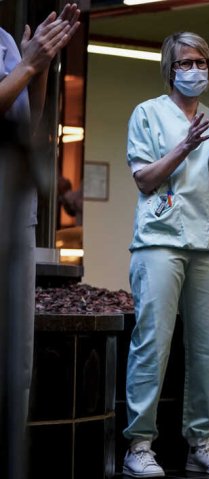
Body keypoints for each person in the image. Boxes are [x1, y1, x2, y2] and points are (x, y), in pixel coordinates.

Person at [122, 31, 209, 478]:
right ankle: (139, 444)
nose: (196, 70)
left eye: (203, 63)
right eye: (186, 63)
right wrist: (186, 146)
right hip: (160, 241)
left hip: (208, 241)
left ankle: (201, 442)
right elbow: (145, 179)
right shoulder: (147, 114)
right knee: (153, 342)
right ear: (170, 69)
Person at [1, 4, 79, 478]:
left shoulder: (7, 42)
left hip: (14, 212)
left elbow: (28, 130)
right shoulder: (17, 51)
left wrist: (40, 69)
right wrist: (30, 64)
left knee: (16, 362)